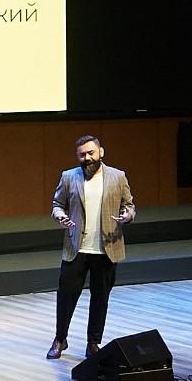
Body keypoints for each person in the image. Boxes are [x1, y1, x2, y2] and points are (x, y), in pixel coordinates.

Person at [47, 133, 135, 360]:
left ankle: (93, 342)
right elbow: (57, 204)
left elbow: (129, 205)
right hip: (77, 247)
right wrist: (60, 216)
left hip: (106, 248)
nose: (87, 158)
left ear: (101, 152)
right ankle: (60, 339)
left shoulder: (118, 176)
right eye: (82, 155)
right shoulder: (69, 177)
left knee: (100, 298)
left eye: (90, 153)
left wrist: (127, 215)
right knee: (66, 296)